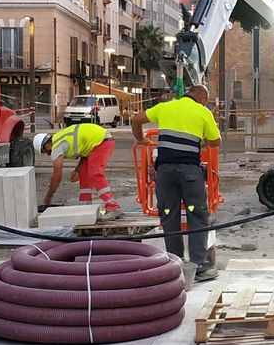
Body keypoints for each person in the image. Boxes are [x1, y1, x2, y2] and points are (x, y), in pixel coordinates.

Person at [134, 83, 221, 281]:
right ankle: (199, 266)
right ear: (202, 98)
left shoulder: (166, 107)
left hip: (165, 172)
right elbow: (216, 142)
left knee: (169, 214)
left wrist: (141, 139)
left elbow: (136, 119)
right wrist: (203, 139)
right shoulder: (203, 112)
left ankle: (175, 263)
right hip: (190, 172)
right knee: (196, 214)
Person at [35, 121, 120, 217]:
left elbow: (57, 176)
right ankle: (85, 205)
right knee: (83, 173)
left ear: (47, 146)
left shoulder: (56, 146)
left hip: (101, 142)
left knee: (95, 174)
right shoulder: (60, 137)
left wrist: (48, 197)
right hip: (97, 142)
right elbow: (85, 151)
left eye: (45, 152)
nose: (47, 154)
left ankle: (113, 206)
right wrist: (77, 170)